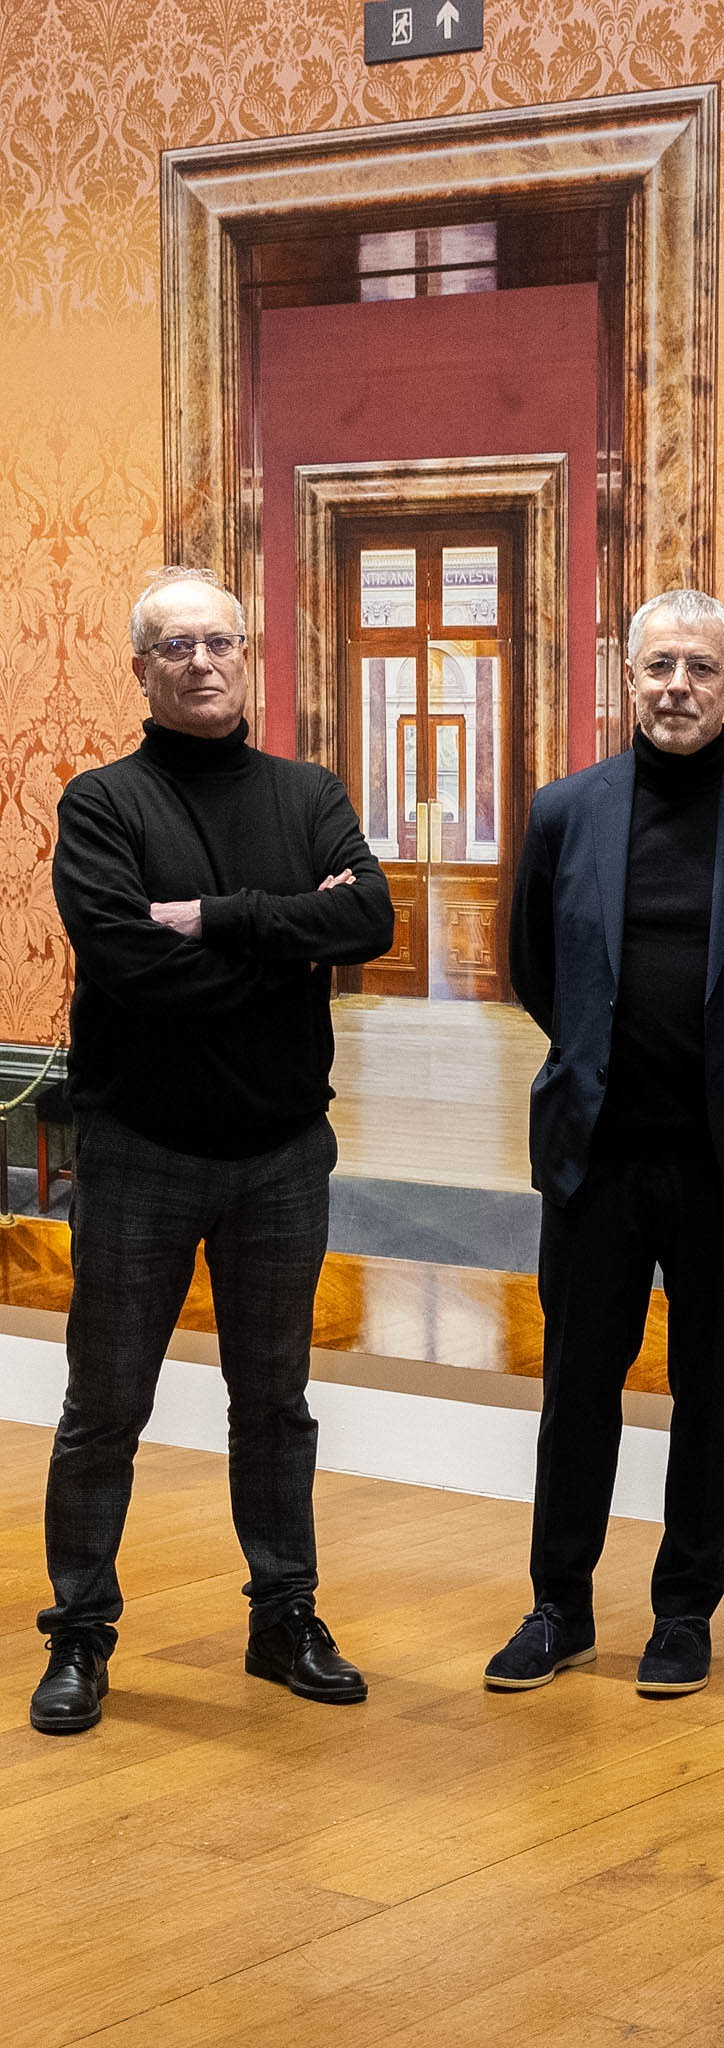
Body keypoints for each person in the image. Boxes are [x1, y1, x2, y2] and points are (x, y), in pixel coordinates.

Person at [31, 566, 394, 1735]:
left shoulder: (309, 792)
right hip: (140, 1150)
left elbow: (371, 919)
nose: (200, 660)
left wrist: (218, 918)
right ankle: (79, 1632)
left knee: (274, 1402)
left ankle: (283, 1616)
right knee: (104, 1405)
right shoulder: (102, 803)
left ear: (248, 656)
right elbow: (128, 966)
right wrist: (288, 944)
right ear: (141, 668)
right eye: (175, 645)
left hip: (281, 1155)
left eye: (219, 641)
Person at [485, 589, 724, 1697]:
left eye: (700, 668)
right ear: (629, 678)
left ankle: (684, 1612)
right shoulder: (566, 811)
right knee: (576, 1389)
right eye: (658, 666)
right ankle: (559, 1607)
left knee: (711, 1393)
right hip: (594, 1157)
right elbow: (534, 965)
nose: (677, 686)